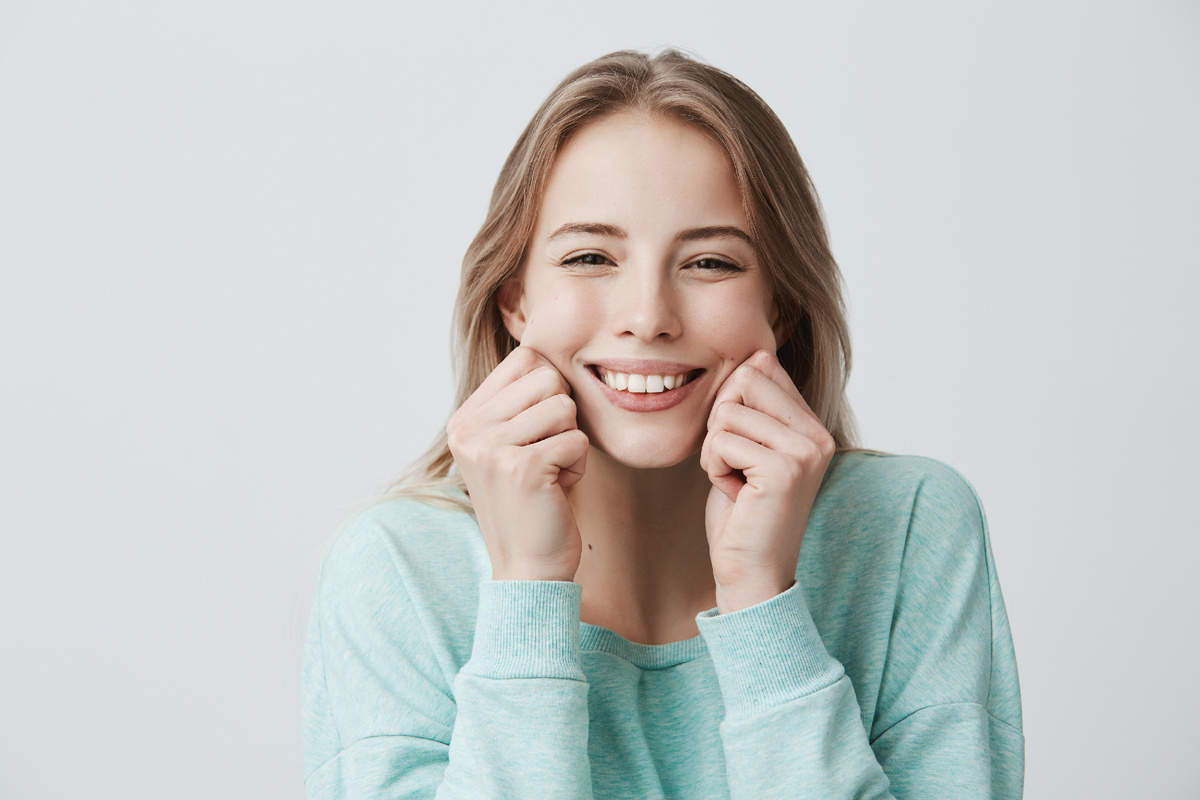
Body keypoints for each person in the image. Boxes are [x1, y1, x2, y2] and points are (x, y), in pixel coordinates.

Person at [301, 49, 1024, 799]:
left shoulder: (908, 531)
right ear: (516, 301)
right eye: (589, 257)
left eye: (710, 263)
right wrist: (526, 598)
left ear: (779, 303)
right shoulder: (394, 571)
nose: (647, 318)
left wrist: (763, 607)